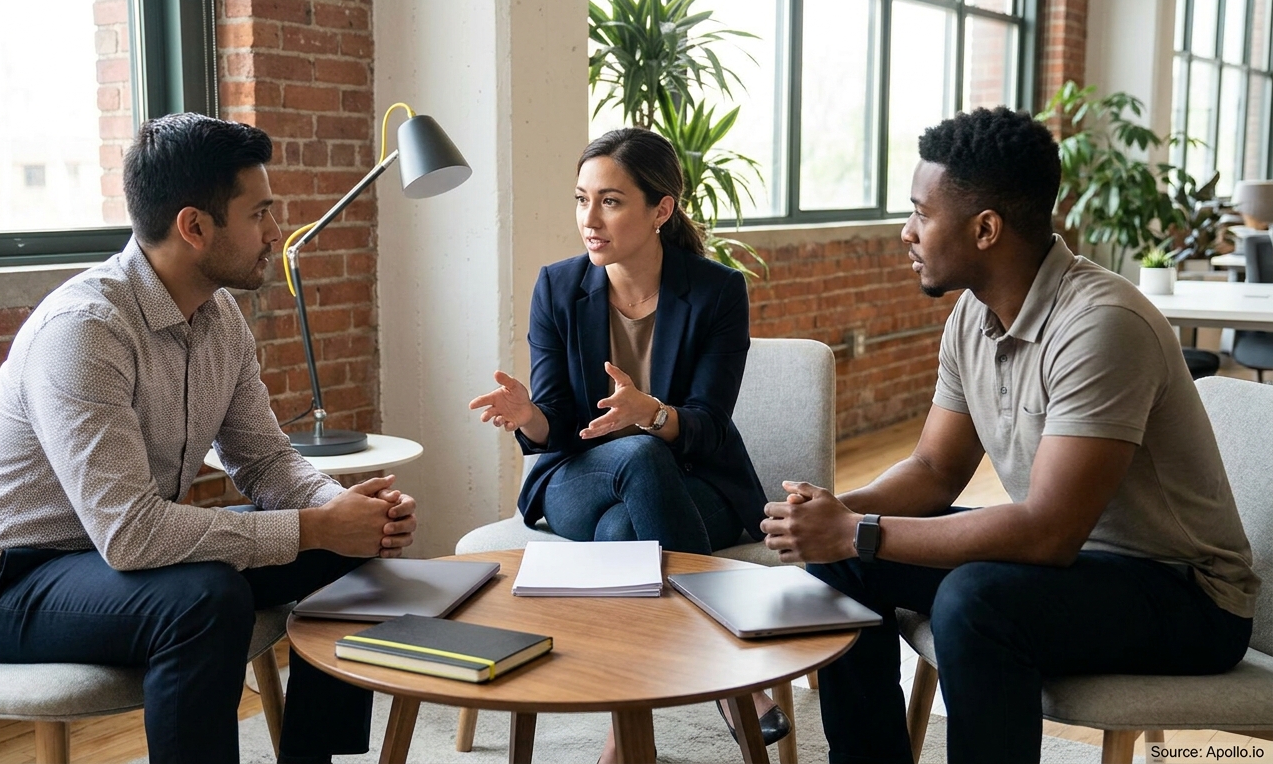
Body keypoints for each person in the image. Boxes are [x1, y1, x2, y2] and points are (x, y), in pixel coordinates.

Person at [761, 107, 1259, 764]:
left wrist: (858, 528)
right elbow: (937, 469)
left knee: (975, 601)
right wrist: (833, 517)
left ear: (985, 228)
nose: (906, 233)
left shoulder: (1102, 325)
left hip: (1184, 596)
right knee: (844, 561)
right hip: (1076, 568)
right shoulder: (974, 313)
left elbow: (1048, 535)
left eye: (920, 213)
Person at [0, 113, 417, 764]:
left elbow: (263, 459)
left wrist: (342, 515)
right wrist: (312, 527)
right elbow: (132, 534)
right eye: (260, 214)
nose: (275, 233)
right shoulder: (85, 330)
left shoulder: (219, 316)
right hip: (17, 585)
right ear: (195, 227)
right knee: (204, 600)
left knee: (350, 557)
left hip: (128, 565)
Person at [469, 127, 787, 763]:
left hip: (698, 479)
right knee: (635, 460)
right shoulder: (558, 287)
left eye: (610, 201)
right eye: (581, 199)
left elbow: (710, 423)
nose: (590, 219)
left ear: (661, 209)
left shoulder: (717, 291)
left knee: (623, 533)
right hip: (580, 476)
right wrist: (530, 415)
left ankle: (624, 738)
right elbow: (556, 425)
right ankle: (729, 672)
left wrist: (654, 414)